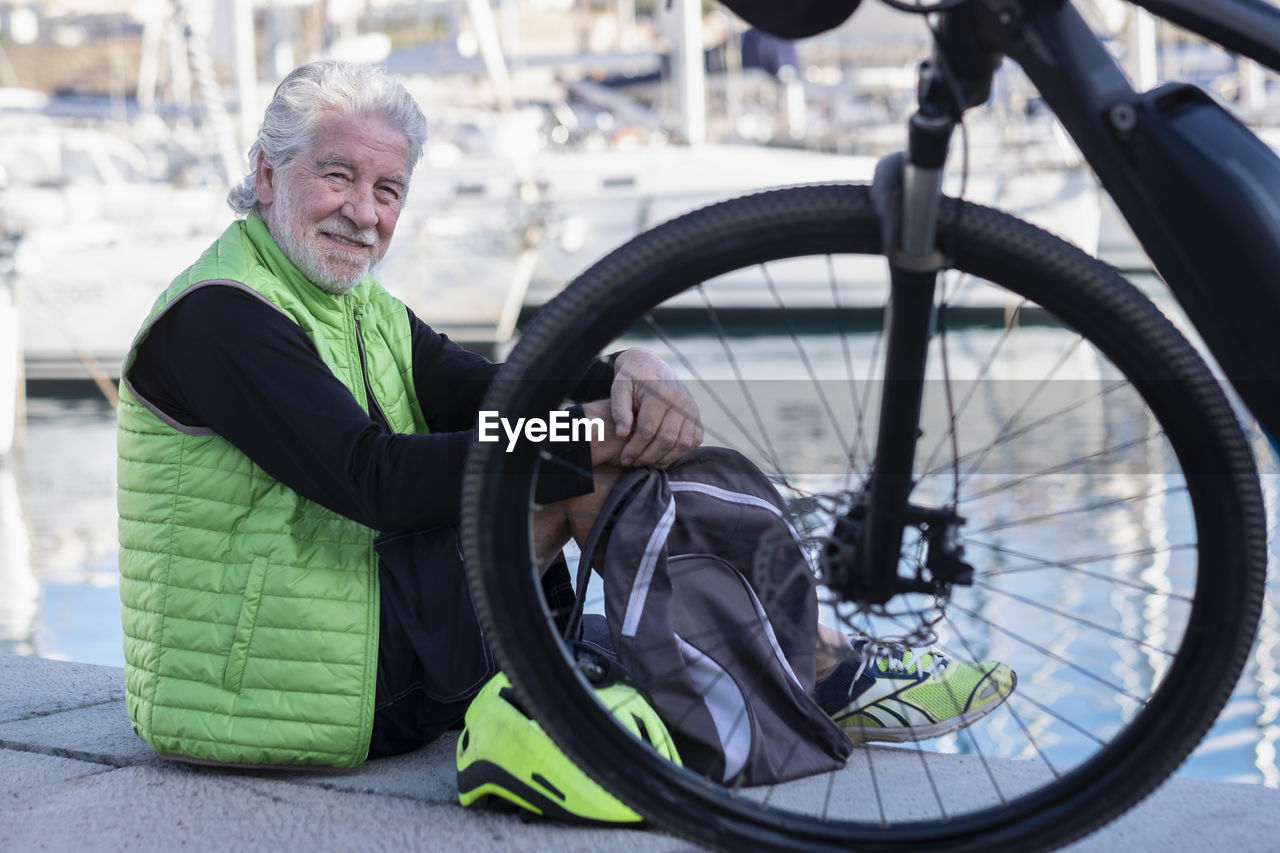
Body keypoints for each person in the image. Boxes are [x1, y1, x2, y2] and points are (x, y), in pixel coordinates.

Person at [117, 60, 1012, 772]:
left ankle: (806, 658)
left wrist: (627, 372)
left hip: (345, 642)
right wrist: (578, 434)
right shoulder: (223, 315)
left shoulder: (356, 308)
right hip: (280, 688)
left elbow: (497, 390)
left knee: (588, 447)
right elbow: (373, 478)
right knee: (571, 468)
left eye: (387, 189)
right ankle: (819, 669)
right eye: (338, 175)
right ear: (267, 172)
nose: (363, 211)